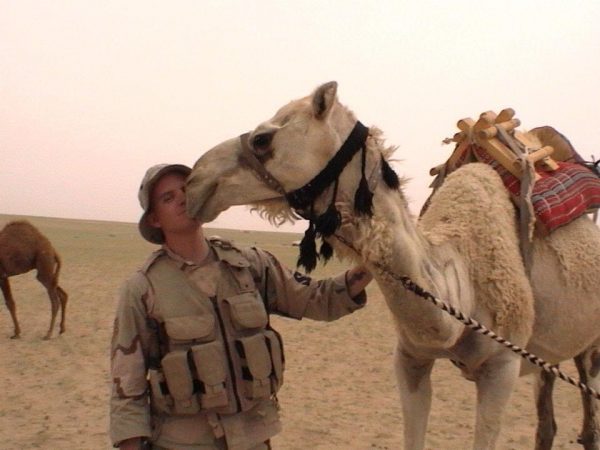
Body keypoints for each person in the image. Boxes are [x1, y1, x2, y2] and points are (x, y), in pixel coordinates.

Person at [110, 163, 372, 450]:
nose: (183, 199)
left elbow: (317, 298)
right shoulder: (142, 289)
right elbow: (128, 387)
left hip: (253, 439)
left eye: (187, 189)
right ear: (154, 220)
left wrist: (374, 262)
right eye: (168, 198)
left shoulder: (251, 265)